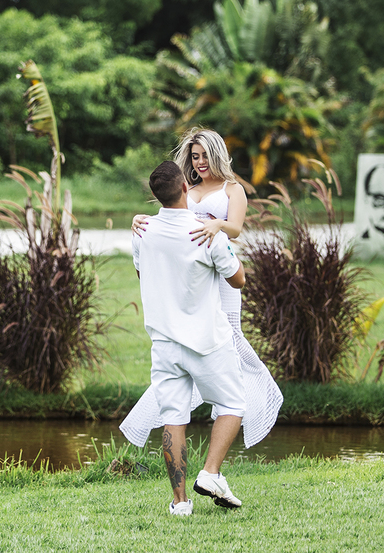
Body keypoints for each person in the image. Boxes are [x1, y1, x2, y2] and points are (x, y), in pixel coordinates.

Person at [122, 128, 282, 450]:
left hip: (222, 274)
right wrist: (141, 220)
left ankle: (243, 403)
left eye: (205, 156)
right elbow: (168, 219)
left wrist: (216, 225)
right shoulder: (187, 187)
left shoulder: (232, 189)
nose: (200, 162)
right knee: (190, 338)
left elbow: (235, 228)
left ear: (217, 154)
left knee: (229, 340)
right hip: (192, 278)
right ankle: (197, 400)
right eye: (195, 157)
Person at [131, 160, 248, 516]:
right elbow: (238, 279)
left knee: (173, 419)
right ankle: (211, 473)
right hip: (206, 341)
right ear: (185, 188)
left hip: (164, 344)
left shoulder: (142, 231)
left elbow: (141, 270)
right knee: (232, 405)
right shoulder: (207, 234)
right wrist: (221, 238)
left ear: (156, 197)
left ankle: (180, 503)